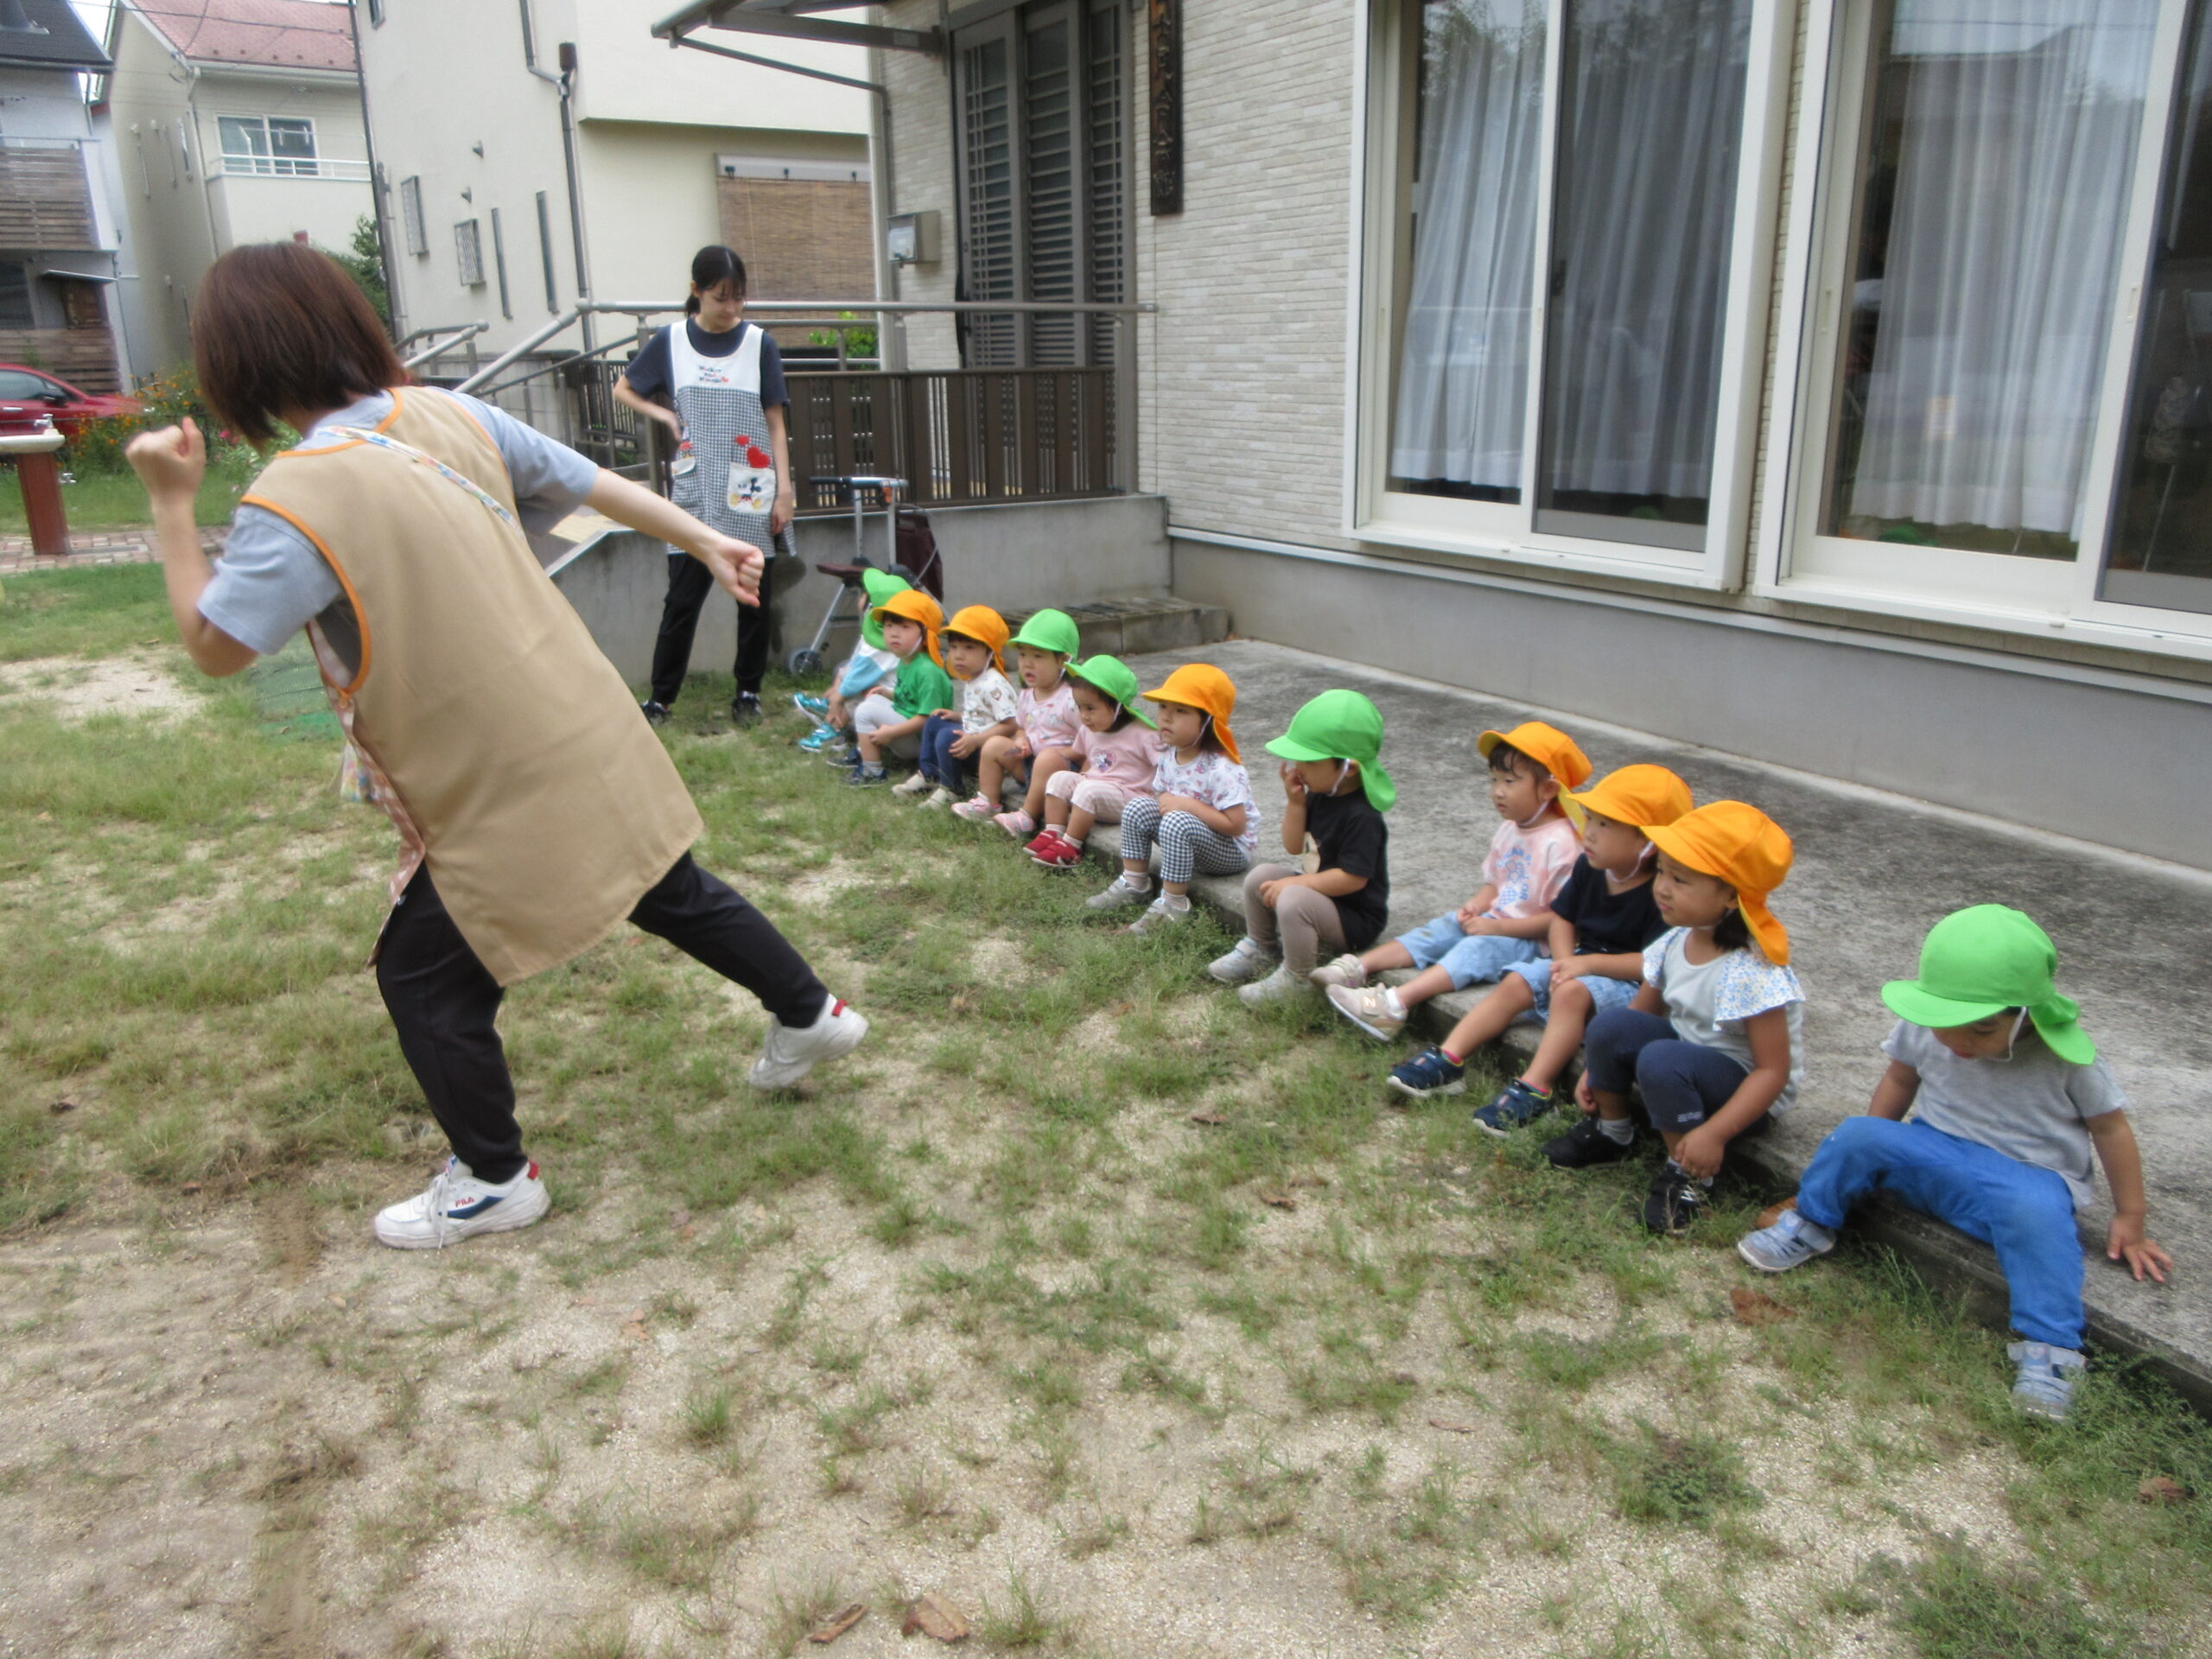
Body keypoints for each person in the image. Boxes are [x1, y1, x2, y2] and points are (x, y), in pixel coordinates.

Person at [128, 242, 866, 1249]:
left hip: (491, 769)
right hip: (578, 714)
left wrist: (170, 506)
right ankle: (810, 1012)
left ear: (239, 366)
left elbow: (216, 648)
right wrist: (700, 536)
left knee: (424, 975)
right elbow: (591, 482)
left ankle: (493, 1178)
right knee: (658, 879)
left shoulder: (291, 500)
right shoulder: (448, 412)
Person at [1738, 906, 2170, 1421]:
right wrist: (1873, 1147)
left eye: (1982, 1029)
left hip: (2022, 1179)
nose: (1960, 1041)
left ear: (2024, 1013)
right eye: (1946, 1025)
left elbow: (2111, 1129)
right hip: (1934, 1153)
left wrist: (2131, 1216)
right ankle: (1812, 1222)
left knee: (2037, 1211)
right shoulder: (1926, 1025)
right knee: (1855, 1133)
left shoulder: (2070, 1060)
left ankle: (2052, 1348)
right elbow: (1899, 1080)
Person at [1543, 801, 1803, 1236]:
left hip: (1744, 1091)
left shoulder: (1752, 969)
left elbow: (1773, 1073)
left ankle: (1691, 1176)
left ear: (1731, 896)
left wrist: (1714, 1134)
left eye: (1680, 880)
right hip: (1680, 1063)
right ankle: (1613, 1131)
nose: (1662, 888)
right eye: (1662, 871)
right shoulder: (1676, 940)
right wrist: (1597, 1071)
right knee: (1610, 1025)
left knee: (1662, 1058)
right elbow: (1639, 1016)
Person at [1389, 765, 1689, 1120]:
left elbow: (1653, 965)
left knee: (1571, 992)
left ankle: (1537, 1087)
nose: (1589, 833)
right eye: (1590, 819)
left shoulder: (1661, 895)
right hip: (1578, 967)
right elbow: (1562, 919)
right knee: (1517, 980)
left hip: (1626, 990)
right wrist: (1563, 962)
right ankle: (1449, 1058)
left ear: (1647, 843)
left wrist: (1582, 966)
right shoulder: (1590, 867)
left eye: (1605, 825)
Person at [613, 245, 793, 728]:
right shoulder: (670, 341)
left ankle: (748, 693)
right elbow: (623, 389)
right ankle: (661, 699)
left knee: (753, 598)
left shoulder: (759, 344)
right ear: (696, 291)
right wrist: (664, 415)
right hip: (695, 488)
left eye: (739, 297)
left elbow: (775, 423)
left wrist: (785, 491)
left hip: (751, 485)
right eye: (720, 297)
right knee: (681, 600)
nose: (731, 308)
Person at [1319, 721, 1588, 1042]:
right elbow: (1496, 884)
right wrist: (1477, 904)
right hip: (1496, 922)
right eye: (1494, 780)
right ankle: (1356, 967)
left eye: (1510, 781)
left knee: (1475, 949)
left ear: (1548, 790)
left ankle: (1394, 1005)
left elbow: (1561, 920)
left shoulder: (1563, 845)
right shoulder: (1511, 828)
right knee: (1444, 927)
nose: (1498, 791)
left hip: (1534, 942)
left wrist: (1498, 928)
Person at [1206, 690, 1395, 1009]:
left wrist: (1297, 884)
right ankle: (1262, 947)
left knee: (1292, 897)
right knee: (1260, 876)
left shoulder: (1363, 817)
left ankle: (1298, 978)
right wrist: (1296, 803)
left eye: (1309, 760)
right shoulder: (1321, 793)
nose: (1298, 767)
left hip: (1354, 919)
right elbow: (1293, 846)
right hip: (1320, 898)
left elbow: (1353, 879)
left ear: (1348, 768)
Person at [1089, 664, 1258, 936]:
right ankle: (1135, 883)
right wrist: (1170, 800)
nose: (1166, 717)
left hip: (1229, 850)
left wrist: (1188, 806)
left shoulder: (1221, 768)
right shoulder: (1170, 754)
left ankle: (1173, 903)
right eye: (1163, 707)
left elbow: (1237, 826)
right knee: (1137, 807)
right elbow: (1162, 792)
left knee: (1177, 820)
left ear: (1208, 721)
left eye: (1181, 711)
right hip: (1188, 838)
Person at [1024, 655, 1160, 867]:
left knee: (1088, 790)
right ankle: (1053, 832)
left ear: (1117, 706)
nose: (1084, 716)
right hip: (1095, 790)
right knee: (1058, 778)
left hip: (1129, 797)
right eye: (1079, 707)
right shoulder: (1090, 729)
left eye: (1090, 708)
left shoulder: (1144, 733)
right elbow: (1082, 755)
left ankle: (1071, 847)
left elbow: (1165, 766)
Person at [957, 608, 1083, 835]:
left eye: (1038, 656)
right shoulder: (1027, 695)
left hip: (1060, 774)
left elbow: (1089, 743)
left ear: (1064, 661)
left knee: (1047, 758)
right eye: (1023, 655)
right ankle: (988, 801)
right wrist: (1021, 740)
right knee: (994, 744)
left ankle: (1027, 816)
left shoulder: (1072, 699)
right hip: (1028, 766)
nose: (1027, 664)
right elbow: (1022, 727)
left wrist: (1061, 754)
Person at [908, 604, 1017, 806]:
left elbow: (1011, 725)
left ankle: (952, 788)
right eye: (954, 647)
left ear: (989, 652)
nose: (958, 655)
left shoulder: (993, 685)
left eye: (969, 647)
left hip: (987, 755)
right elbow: (982, 716)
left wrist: (976, 741)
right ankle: (930, 773)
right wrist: (958, 716)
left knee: (948, 736)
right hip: (970, 743)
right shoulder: (974, 677)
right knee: (936, 720)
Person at [798, 567, 910, 755]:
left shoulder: (882, 647)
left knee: (855, 693)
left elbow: (855, 680)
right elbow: (853, 667)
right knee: (846, 674)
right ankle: (832, 713)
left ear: (871, 606)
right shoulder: (881, 635)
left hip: (896, 708)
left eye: (864, 594)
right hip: (888, 698)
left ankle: (833, 729)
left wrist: (836, 699)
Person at [849, 588, 955, 785]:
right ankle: (864, 752)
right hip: (910, 728)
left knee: (865, 712)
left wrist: (891, 733)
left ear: (925, 634)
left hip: (924, 742)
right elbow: (910, 697)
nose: (894, 633)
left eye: (905, 627)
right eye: (889, 626)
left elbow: (929, 720)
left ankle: (872, 772)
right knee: (873, 699)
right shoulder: (907, 661)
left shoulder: (927, 671)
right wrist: (888, 693)